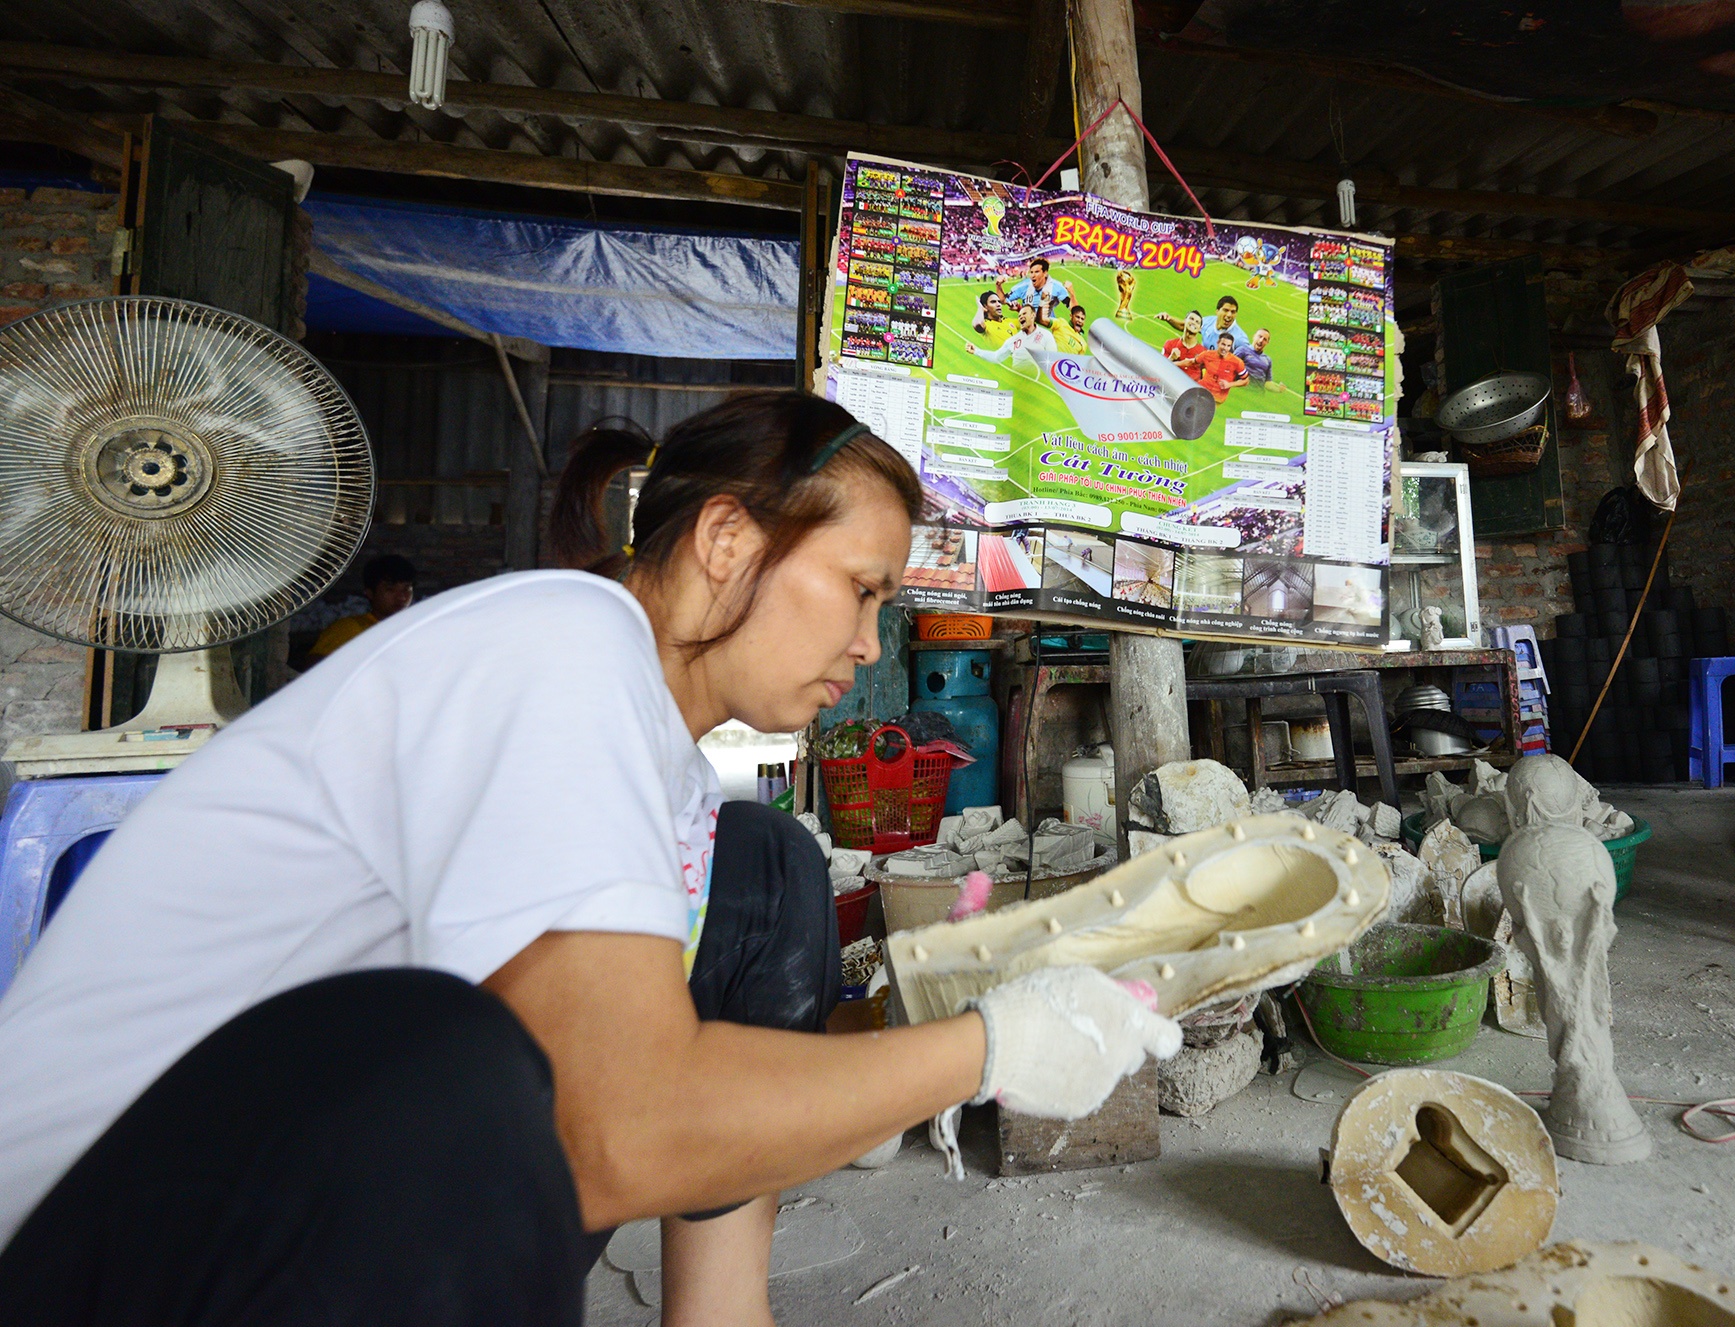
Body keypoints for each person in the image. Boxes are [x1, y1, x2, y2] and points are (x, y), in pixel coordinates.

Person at [0, 393, 1179, 1327]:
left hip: (291, 1210)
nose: (870, 641)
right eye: (860, 589)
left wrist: (952, 1020)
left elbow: (669, 1086)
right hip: (99, 1245)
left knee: (764, 870)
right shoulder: (556, 648)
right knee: (465, 1063)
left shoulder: (660, 757)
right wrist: (991, 1047)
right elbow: (622, 1130)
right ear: (728, 538)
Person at [305, 553, 417, 663]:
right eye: (390, 589)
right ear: (370, 593)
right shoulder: (350, 628)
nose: (401, 597)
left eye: (406, 589)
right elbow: (313, 667)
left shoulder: (415, 629)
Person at [967, 301, 1057, 368]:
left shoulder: (1045, 335)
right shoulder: (1013, 341)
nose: (1021, 316)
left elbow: (1053, 359)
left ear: (1033, 315)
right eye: (1019, 315)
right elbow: (996, 357)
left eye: (1024, 314)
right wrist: (976, 351)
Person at [1182, 331, 1250, 404]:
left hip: (1217, 400)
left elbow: (1246, 381)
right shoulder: (1207, 354)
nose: (1225, 348)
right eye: (1223, 344)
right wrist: (1172, 363)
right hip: (1200, 392)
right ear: (1218, 343)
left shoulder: (1237, 362)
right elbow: (1191, 362)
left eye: (1228, 346)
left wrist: (1229, 384)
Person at [998, 257, 1071, 321]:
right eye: (1031, 272)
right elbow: (1003, 300)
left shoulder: (1056, 286)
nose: (1033, 275)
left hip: (1048, 326)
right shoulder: (1023, 286)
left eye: (1036, 272)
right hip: (1028, 326)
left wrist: (1072, 293)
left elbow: (1072, 307)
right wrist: (998, 285)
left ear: (1045, 273)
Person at [1234, 327, 1290, 395]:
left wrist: (1278, 389)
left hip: (1258, 393)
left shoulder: (1267, 360)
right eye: (1259, 336)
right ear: (1254, 336)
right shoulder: (1242, 350)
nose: (1261, 340)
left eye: (1264, 339)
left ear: (1267, 342)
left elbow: (1267, 383)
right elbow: (1230, 366)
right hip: (1243, 390)